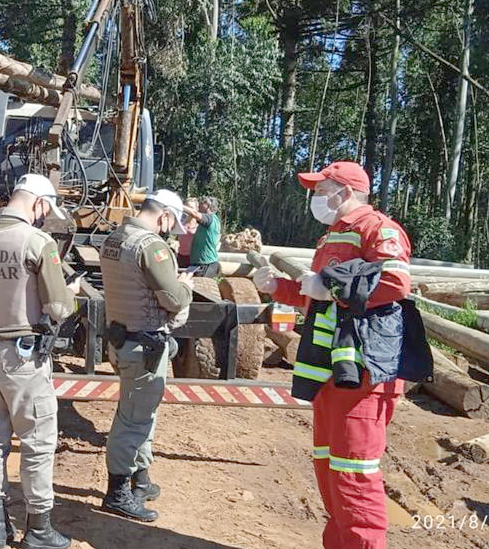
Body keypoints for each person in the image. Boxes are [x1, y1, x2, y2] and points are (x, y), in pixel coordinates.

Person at [253, 161, 428, 549]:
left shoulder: (376, 228)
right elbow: (317, 300)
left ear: (344, 192)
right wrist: (278, 287)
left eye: (321, 189)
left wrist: (330, 285)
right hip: (330, 370)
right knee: (329, 469)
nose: (315, 197)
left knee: (353, 475)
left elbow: (394, 282)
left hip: (363, 372)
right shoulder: (332, 236)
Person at [0, 173, 82, 549]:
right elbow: (58, 309)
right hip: (22, 358)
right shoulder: (38, 243)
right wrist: (70, 294)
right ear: (39, 203)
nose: (44, 218)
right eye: (45, 211)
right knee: (37, 441)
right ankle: (38, 530)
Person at [98, 189, 194, 522]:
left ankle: (140, 478)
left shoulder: (114, 238)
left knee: (138, 412)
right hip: (145, 346)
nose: (170, 231)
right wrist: (185, 284)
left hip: (124, 339)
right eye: (172, 224)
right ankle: (118, 492)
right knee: (134, 418)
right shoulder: (151, 246)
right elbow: (173, 298)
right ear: (164, 215)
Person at [182, 196, 221, 277]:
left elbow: (194, 214)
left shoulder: (209, 218)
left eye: (202, 204)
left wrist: (178, 205)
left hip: (205, 264)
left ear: (207, 206)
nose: (199, 206)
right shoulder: (214, 219)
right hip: (204, 263)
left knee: (200, 288)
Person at [176, 198, 199, 267]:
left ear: (197, 209)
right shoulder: (180, 223)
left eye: (191, 208)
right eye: (187, 207)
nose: (189, 210)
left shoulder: (199, 226)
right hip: (181, 257)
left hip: (194, 258)